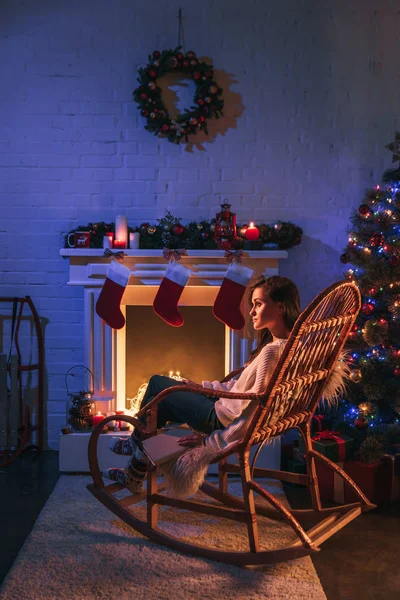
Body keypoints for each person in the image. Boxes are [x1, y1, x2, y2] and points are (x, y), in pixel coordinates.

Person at [104, 275, 301, 493]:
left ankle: (136, 445)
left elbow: (254, 410)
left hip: (219, 420)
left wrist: (210, 441)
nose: (252, 312)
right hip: (224, 408)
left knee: (157, 383)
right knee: (161, 403)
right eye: (252, 305)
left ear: (280, 307)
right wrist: (202, 388)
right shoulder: (289, 347)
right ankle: (136, 467)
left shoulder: (273, 353)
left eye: (258, 304)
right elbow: (241, 390)